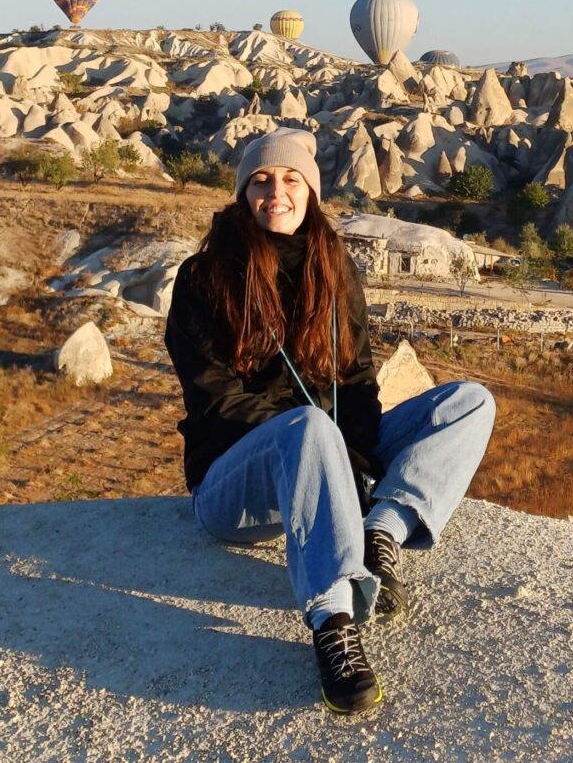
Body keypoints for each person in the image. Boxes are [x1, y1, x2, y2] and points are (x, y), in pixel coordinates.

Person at [165, 128, 495, 715]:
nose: (276, 192)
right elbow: (215, 401)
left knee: (470, 402)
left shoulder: (332, 266)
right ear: (243, 192)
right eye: (261, 181)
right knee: (311, 426)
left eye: (292, 180)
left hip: (331, 452)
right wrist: (323, 445)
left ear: (312, 192)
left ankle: (382, 531)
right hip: (234, 485)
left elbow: (358, 378)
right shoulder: (204, 278)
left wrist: (357, 458)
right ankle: (333, 620)